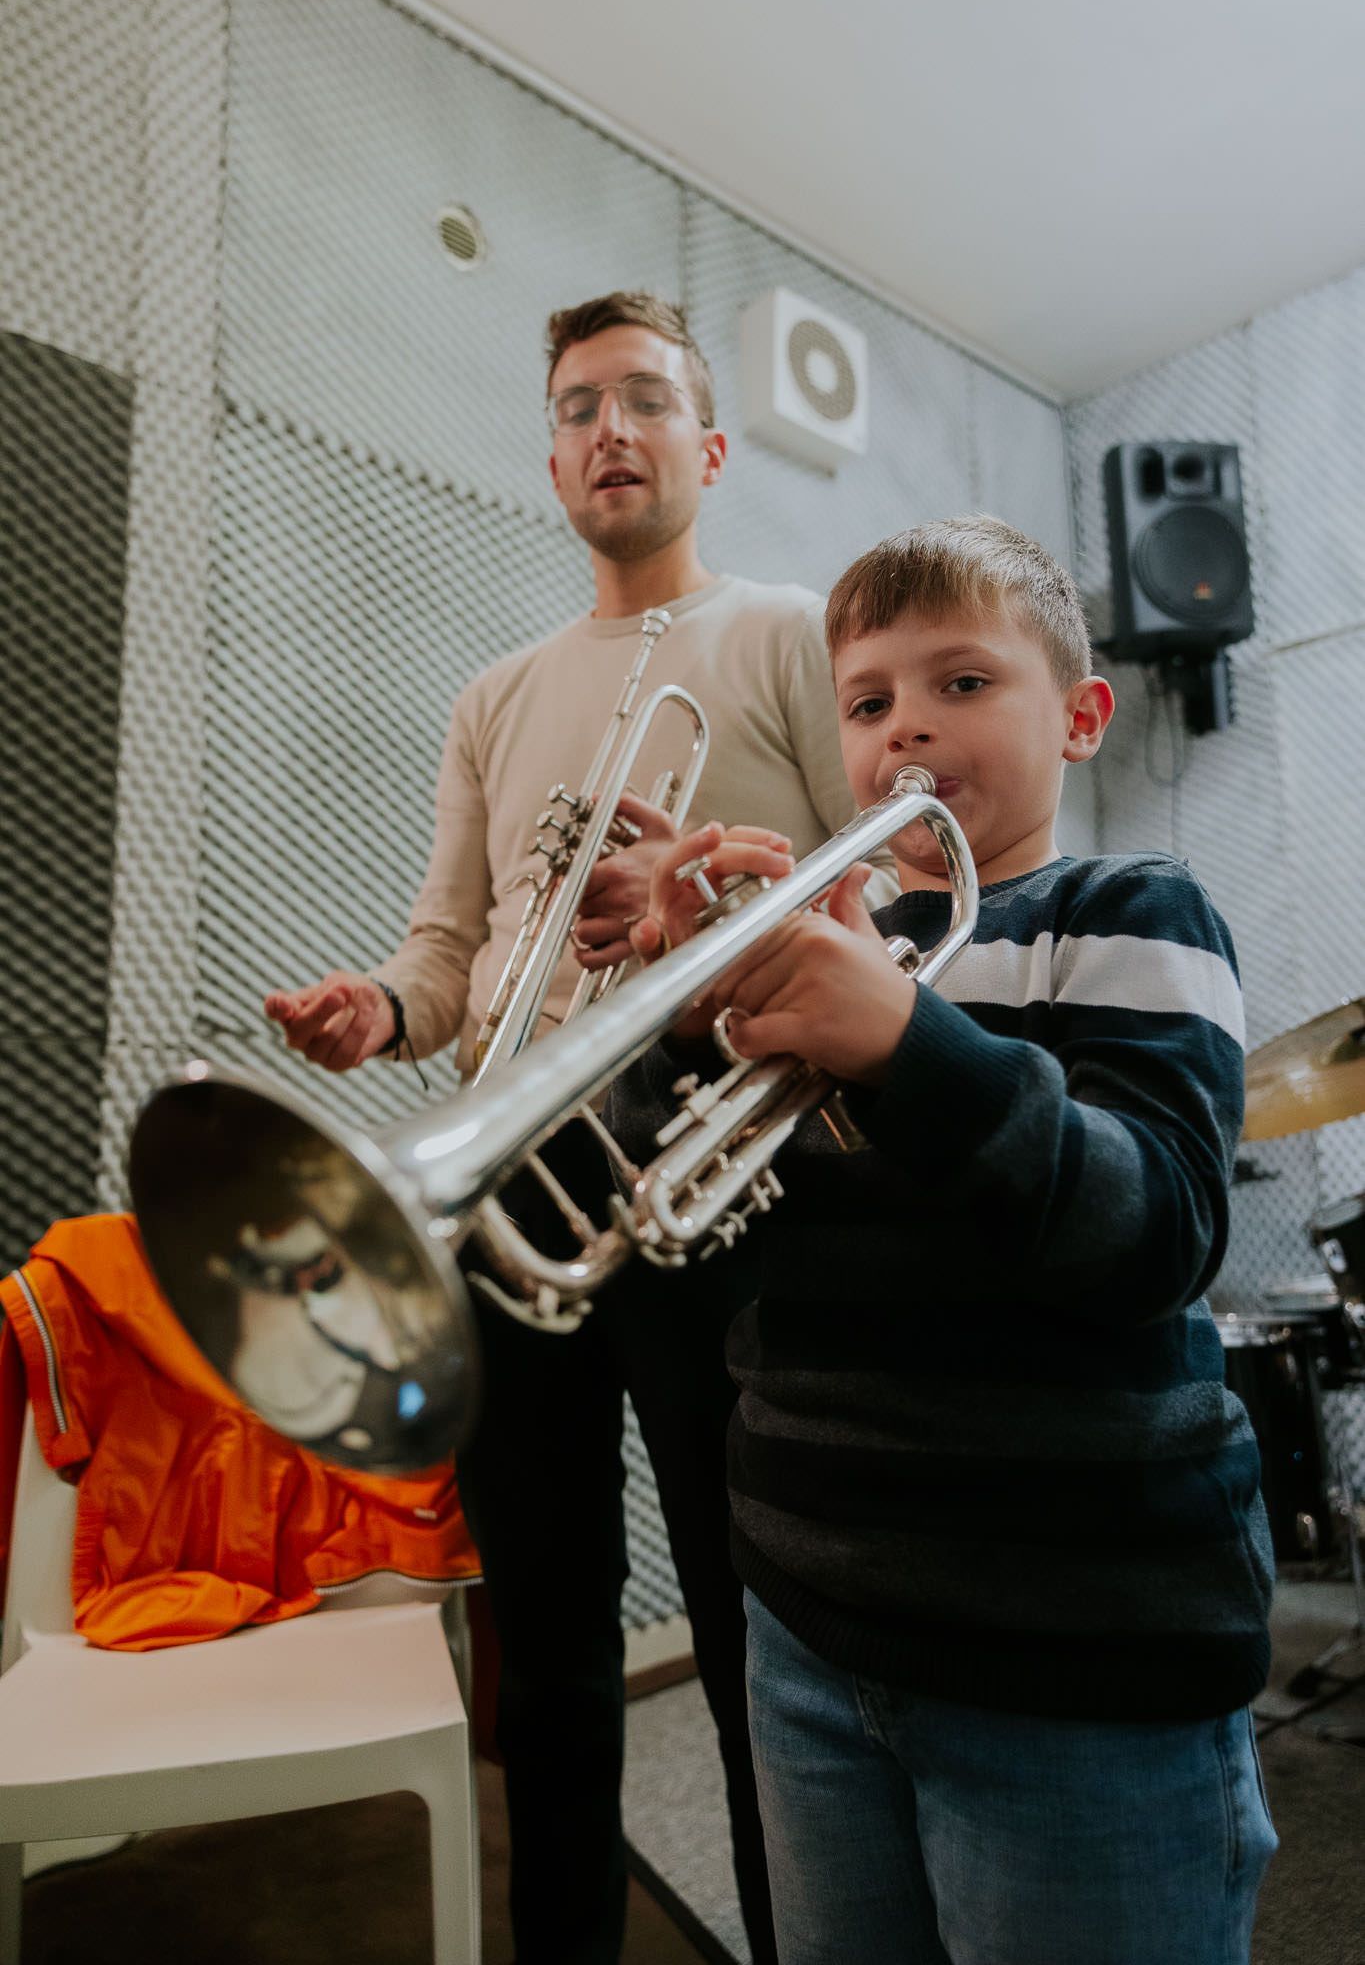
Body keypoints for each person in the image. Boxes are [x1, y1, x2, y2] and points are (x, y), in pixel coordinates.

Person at [263, 292, 893, 1965]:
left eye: (642, 399)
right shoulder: (495, 691)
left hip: (715, 1164)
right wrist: (380, 1014)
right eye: (574, 407)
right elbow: (454, 958)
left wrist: (695, 902)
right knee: (542, 1651)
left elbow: (881, 888)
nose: (607, 428)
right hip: (512, 1176)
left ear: (709, 444)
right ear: (550, 456)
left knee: (752, 1629)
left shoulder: (780, 632)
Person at [611, 515, 1278, 1965]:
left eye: (962, 683)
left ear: (1081, 717)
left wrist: (909, 1043)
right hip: (802, 1623)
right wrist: (674, 1019)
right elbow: (670, 1214)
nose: (906, 724)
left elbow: (1153, 1229)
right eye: (868, 703)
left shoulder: (1125, 913)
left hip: (1074, 1653)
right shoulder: (823, 945)